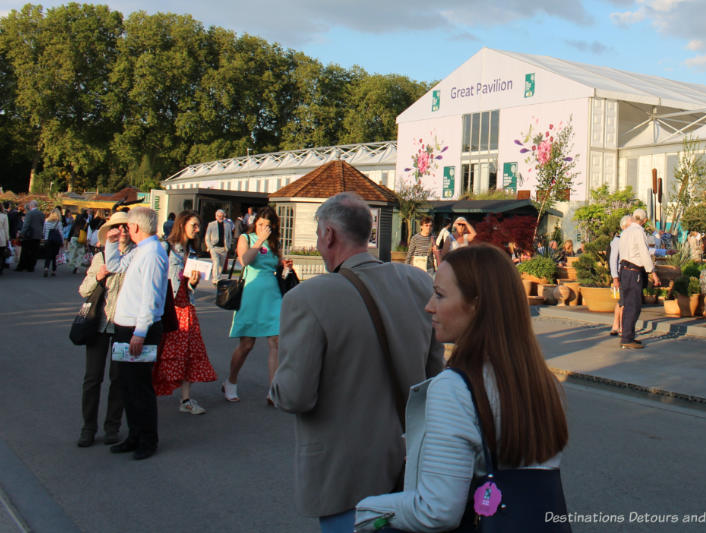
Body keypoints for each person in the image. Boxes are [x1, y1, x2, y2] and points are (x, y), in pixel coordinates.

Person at [355, 244, 568, 532]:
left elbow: (437, 510)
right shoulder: (546, 383)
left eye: (440, 295)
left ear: (476, 306)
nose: (429, 305)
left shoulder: (456, 387)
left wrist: (367, 510)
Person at [269, 192, 444, 533]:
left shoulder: (306, 298)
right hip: (411, 469)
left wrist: (276, 375)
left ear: (329, 234)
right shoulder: (417, 282)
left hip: (344, 479)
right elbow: (434, 377)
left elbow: (294, 396)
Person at [104, 207, 169, 461]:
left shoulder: (152, 253)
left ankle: (147, 439)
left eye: (128, 227)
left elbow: (151, 298)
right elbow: (115, 266)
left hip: (138, 328)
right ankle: (134, 434)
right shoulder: (142, 250)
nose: (125, 231)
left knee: (140, 387)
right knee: (127, 385)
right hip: (127, 326)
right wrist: (111, 244)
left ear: (136, 228)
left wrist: (140, 332)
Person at [76, 212, 134, 447]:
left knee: (118, 378)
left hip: (123, 325)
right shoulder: (100, 257)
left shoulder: (135, 257)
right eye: (116, 227)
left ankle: (113, 426)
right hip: (98, 324)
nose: (121, 231)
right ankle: (88, 427)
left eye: (125, 226)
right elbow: (84, 291)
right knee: (92, 378)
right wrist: (99, 276)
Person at [155, 211, 217, 414]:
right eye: (194, 225)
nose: (197, 230)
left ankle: (186, 399)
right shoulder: (166, 248)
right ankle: (149, 391)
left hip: (186, 306)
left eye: (198, 226)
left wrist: (193, 282)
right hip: (168, 306)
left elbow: (190, 286)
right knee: (160, 350)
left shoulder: (192, 252)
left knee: (189, 352)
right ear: (182, 225)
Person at [224, 206, 286, 402]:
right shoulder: (247, 239)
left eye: (267, 226)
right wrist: (259, 241)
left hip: (272, 295)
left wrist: (286, 268)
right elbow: (245, 261)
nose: (264, 228)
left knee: (275, 341)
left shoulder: (275, 244)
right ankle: (231, 381)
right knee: (247, 344)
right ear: (255, 223)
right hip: (251, 293)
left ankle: (273, 389)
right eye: (260, 224)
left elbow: (278, 269)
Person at [618, 209, 660, 349]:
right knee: (634, 305)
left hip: (624, 270)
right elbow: (644, 253)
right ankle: (627, 337)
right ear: (644, 220)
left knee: (627, 304)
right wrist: (652, 273)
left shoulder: (625, 232)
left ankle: (627, 335)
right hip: (634, 271)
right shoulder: (638, 232)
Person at [609, 216, 632, 337]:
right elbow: (613, 259)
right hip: (621, 273)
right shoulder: (618, 239)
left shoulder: (629, 238)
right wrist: (615, 277)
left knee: (621, 301)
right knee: (623, 301)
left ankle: (616, 325)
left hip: (625, 273)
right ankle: (622, 326)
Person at [204, 209, 233, 285]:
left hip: (223, 248)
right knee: (216, 262)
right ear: (216, 216)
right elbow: (207, 237)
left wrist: (228, 246)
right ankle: (215, 278)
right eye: (219, 216)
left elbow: (230, 236)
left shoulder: (227, 225)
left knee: (221, 265)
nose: (220, 217)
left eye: (222, 216)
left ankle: (218, 278)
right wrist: (210, 247)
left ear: (224, 216)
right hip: (214, 248)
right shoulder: (211, 224)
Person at [17, 200, 45, 272]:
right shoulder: (41, 213)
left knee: (25, 251)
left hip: (29, 235)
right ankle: (31, 266)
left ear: (31, 206)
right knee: (34, 252)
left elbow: (26, 225)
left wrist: (22, 234)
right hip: (38, 235)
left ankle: (22, 266)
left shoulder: (30, 213)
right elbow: (42, 224)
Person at [42, 209, 64, 277]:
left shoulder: (46, 221)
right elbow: (61, 232)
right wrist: (62, 241)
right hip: (56, 241)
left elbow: (44, 231)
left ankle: (46, 268)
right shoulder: (58, 222)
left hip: (48, 240)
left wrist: (45, 238)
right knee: (54, 256)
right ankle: (53, 270)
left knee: (48, 256)